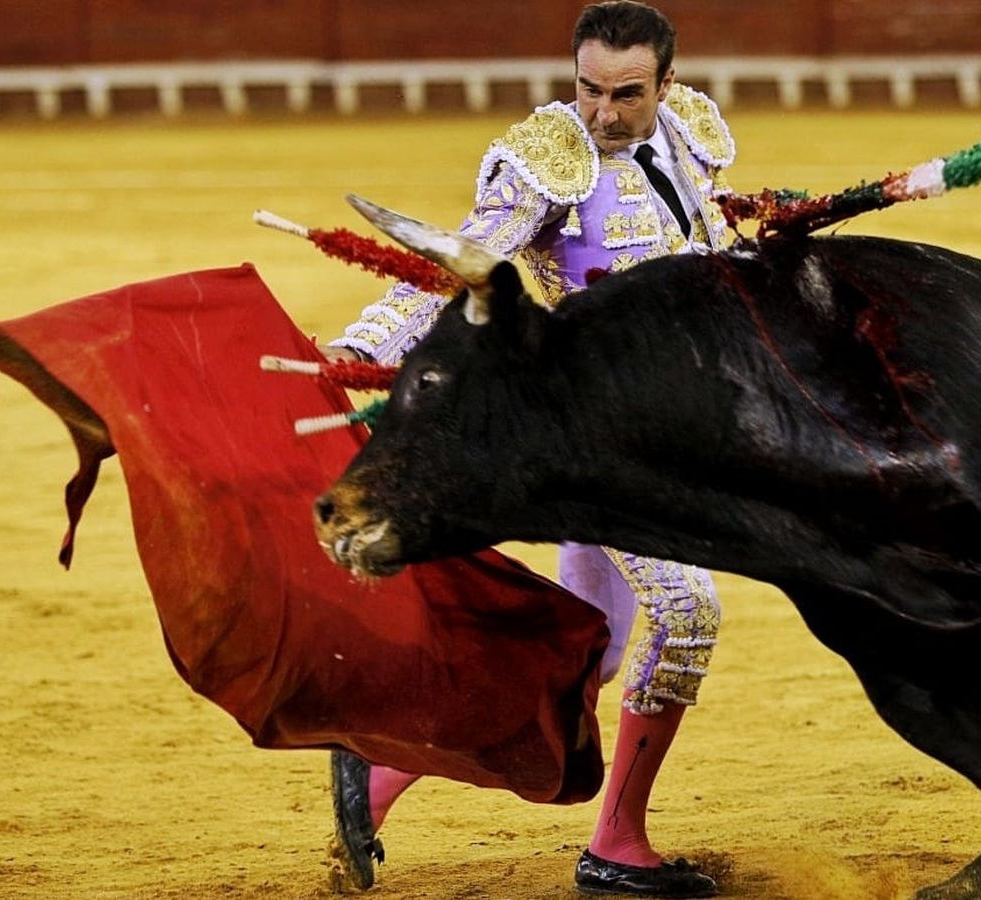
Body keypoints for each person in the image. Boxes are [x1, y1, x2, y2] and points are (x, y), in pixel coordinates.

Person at [325, 3, 738, 897]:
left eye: (627, 94)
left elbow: (710, 240)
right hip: (593, 441)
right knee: (687, 614)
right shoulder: (549, 160)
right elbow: (458, 264)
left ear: (666, 84)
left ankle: (380, 772)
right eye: (589, 89)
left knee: (585, 654)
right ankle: (618, 843)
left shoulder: (690, 134)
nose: (603, 112)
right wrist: (359, 352)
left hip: (673, 435)